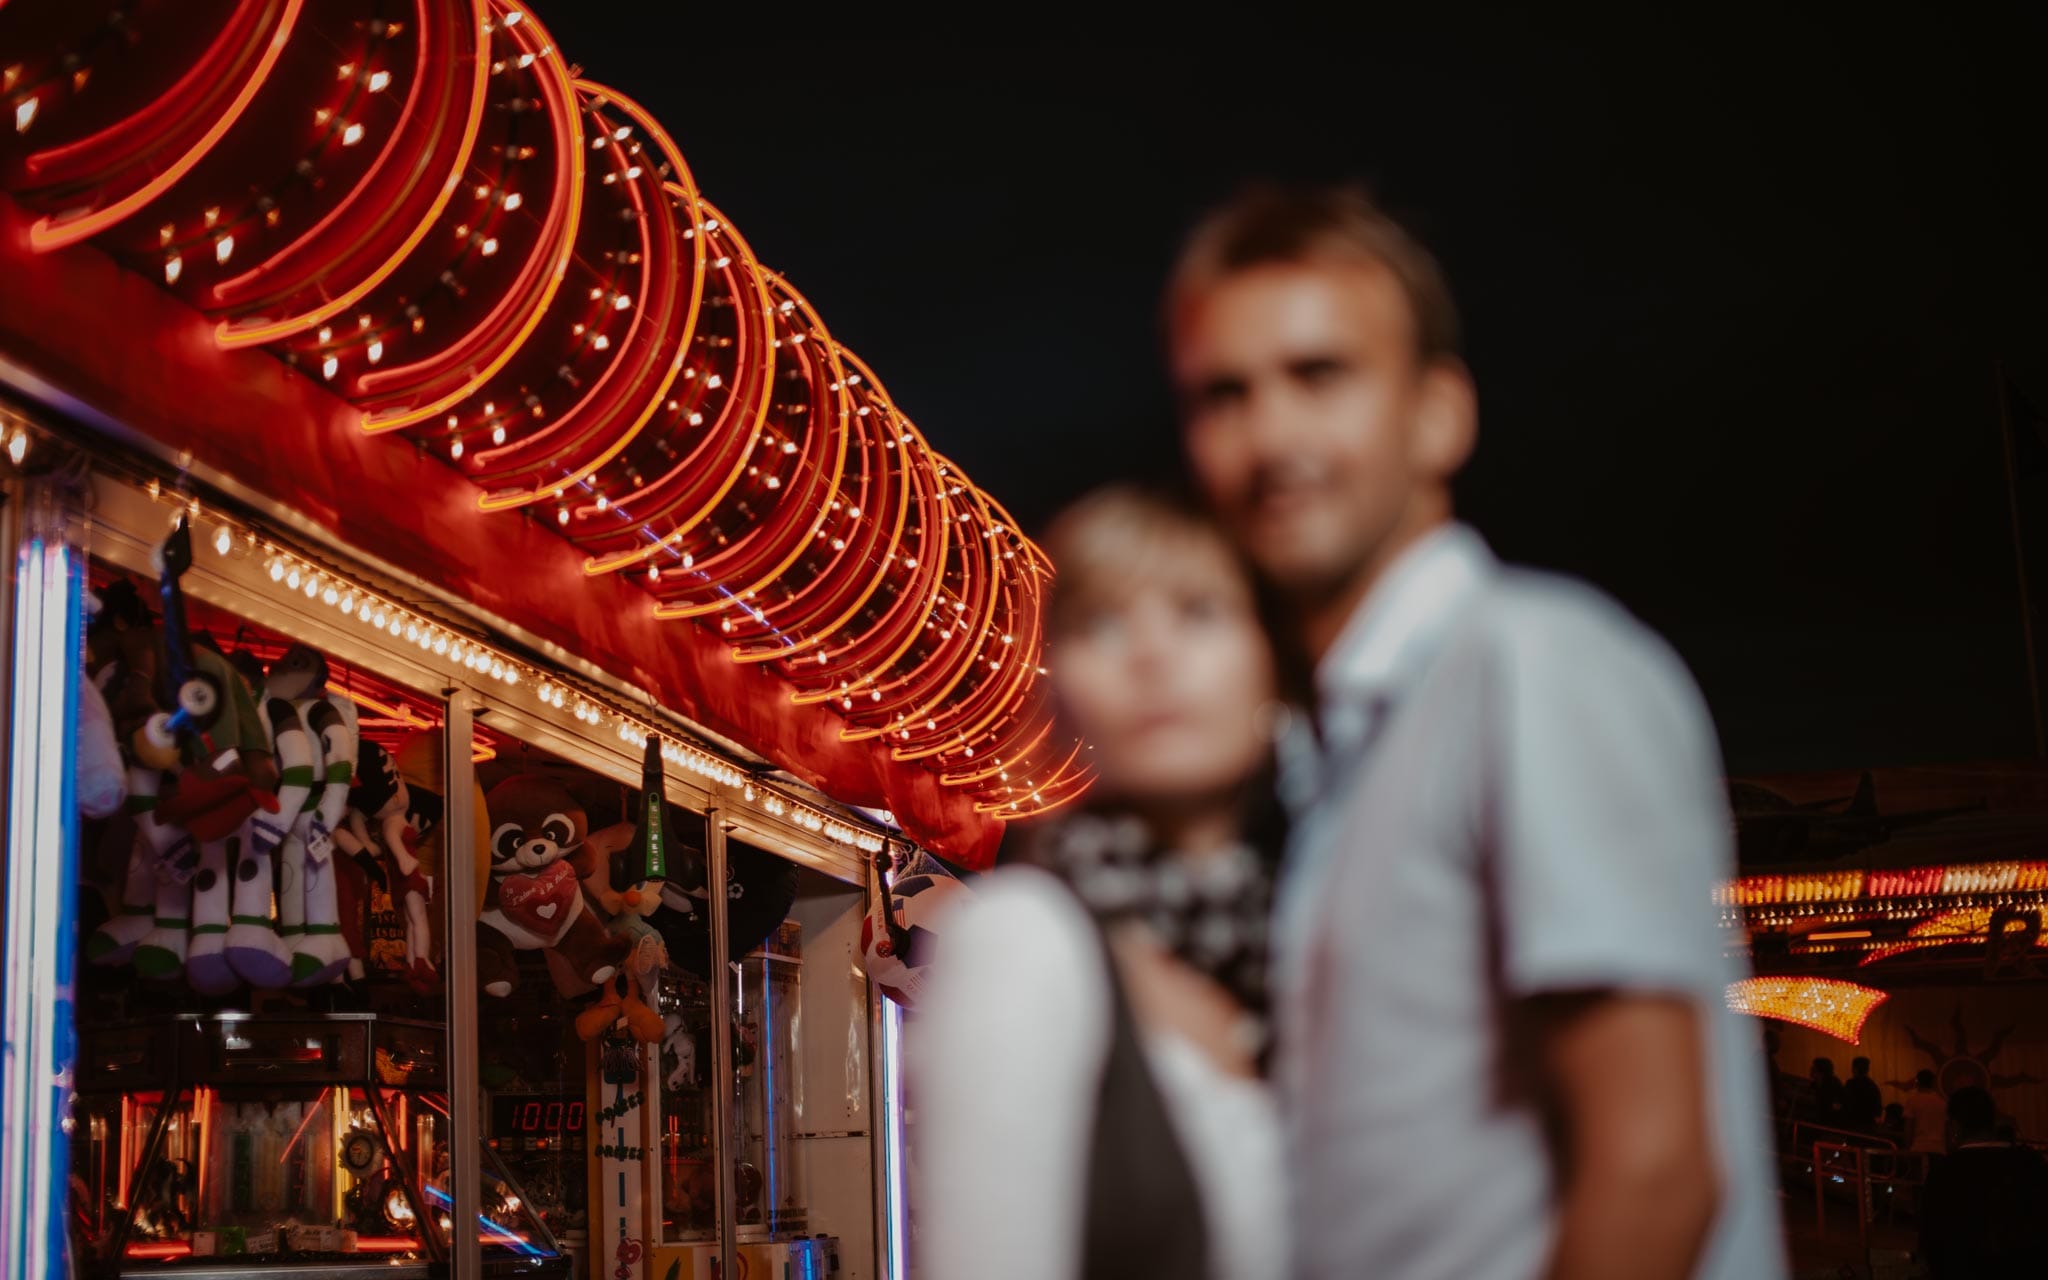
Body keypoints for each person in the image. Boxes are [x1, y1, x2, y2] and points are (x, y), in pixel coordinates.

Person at [1171, 183, 1786, 1279]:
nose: (1270, 434)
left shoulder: (1526, 664)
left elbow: (1654, 1170)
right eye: (1224, 394)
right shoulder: (1351, 747)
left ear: (1438, 412)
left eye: (1319, 375)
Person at [913, 487, 1290, 1280]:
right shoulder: (1025, 940)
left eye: (1197, 611)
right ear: (1065, 692)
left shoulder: (1301, 941)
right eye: (1104, 625)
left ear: (1273, 665)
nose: (1151, 654)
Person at [1917, 1085, 2048, 1276]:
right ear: (1992, 1121)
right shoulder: (2029, 1162)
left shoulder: (1946, 1171)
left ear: (1954, 1126)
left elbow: (1932, 1234)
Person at [1904, 1069, 1948, 1159]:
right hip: (1939, 1150)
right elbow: (1947, 1129)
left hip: (1919, 1149)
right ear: (1933, 1083)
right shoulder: (1942, 1102)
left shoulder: (1913, 1101)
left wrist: (1907, 1150)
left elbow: (1909, 1128)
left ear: (1917, 1082)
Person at [1842, 1056, 1883, 1131]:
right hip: (1868, 1124)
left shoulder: (1851, 1084)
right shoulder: (1872, 1086)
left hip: (1852, 1123)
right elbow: (1877, 1107)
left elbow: (1845, 1102)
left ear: (1855, 1069)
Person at [1808, 1055, 1846, 1126]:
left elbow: (1836, 1106)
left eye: (1814, 1068)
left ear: (1820, 1071)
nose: (1811, 1069)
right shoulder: (1815, 1084)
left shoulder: (1833, 1085)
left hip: (1830, 1123)